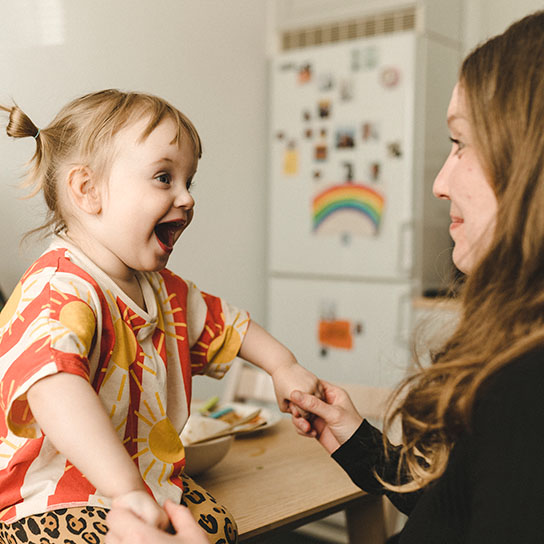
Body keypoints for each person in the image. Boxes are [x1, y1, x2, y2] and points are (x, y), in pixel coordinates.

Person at [0, 89, 322, 544]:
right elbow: (54, 388)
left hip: (142, 488)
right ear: (87, 190)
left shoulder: (161, 290)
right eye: (164, 178)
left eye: (189, 181)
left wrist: (282, 364)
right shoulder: (58, 288)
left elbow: (226, 322)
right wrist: (125, 491)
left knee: (216, 524)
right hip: (48, 501)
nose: (186, 198)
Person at [288, 10, 544, 543]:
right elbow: (453, 508)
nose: (439, 183)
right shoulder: (515, 351)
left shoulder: (526, 385)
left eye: (460, 142)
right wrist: (357, 440)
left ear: (529, 160)